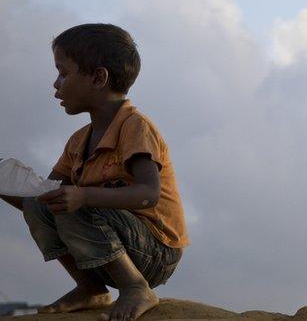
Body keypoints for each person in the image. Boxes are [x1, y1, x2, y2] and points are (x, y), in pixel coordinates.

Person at [0, 23, 187, 321]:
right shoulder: (78, 141)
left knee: (75, 203)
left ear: (98, 77)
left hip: (154, 250)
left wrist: (84, 196)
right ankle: (90, 288)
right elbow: (44, 200)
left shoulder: (134, 126)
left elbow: (148, 194)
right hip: (107, 246)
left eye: (63, 72)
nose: (55, 83)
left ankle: (136, 287)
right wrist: (6, 185)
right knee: (49, 200)